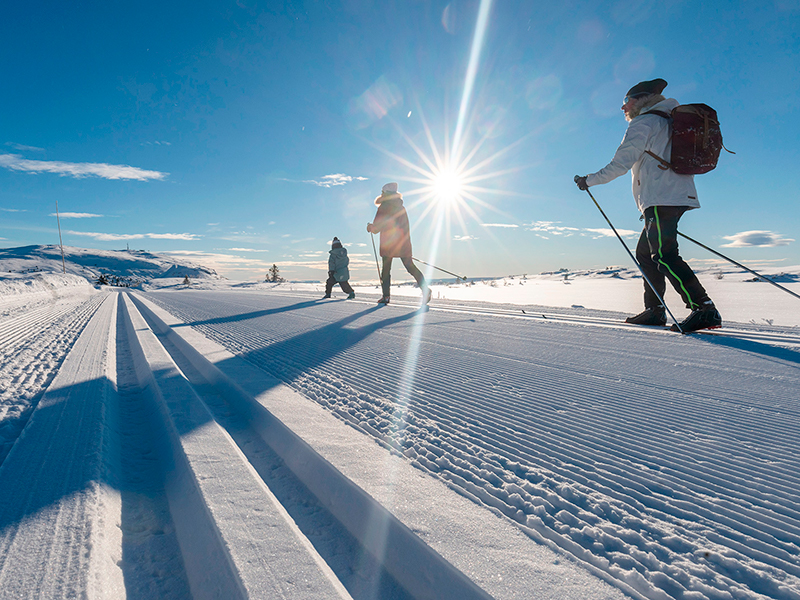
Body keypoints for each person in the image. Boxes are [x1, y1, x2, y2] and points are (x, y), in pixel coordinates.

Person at [575, 78, 722, 333]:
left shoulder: (644, 122)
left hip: (660, 198)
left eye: (626, 101)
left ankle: (704, 308)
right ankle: (655, 310)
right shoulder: (668, 121)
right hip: (676, 196)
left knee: (664, 255)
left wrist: (589, 180)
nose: (623, 108)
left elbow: (620, 164)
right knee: (646, 253)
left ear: (641, 100)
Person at [366, 182, 431, 305]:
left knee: (386, 271)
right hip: (403, 243)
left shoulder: (384, 207)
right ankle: (426, 290)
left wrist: (370, 227)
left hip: (388, 244)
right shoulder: (401, 207)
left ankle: (386, 296)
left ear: (385, 193)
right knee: (410, 267)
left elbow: (377, 228)